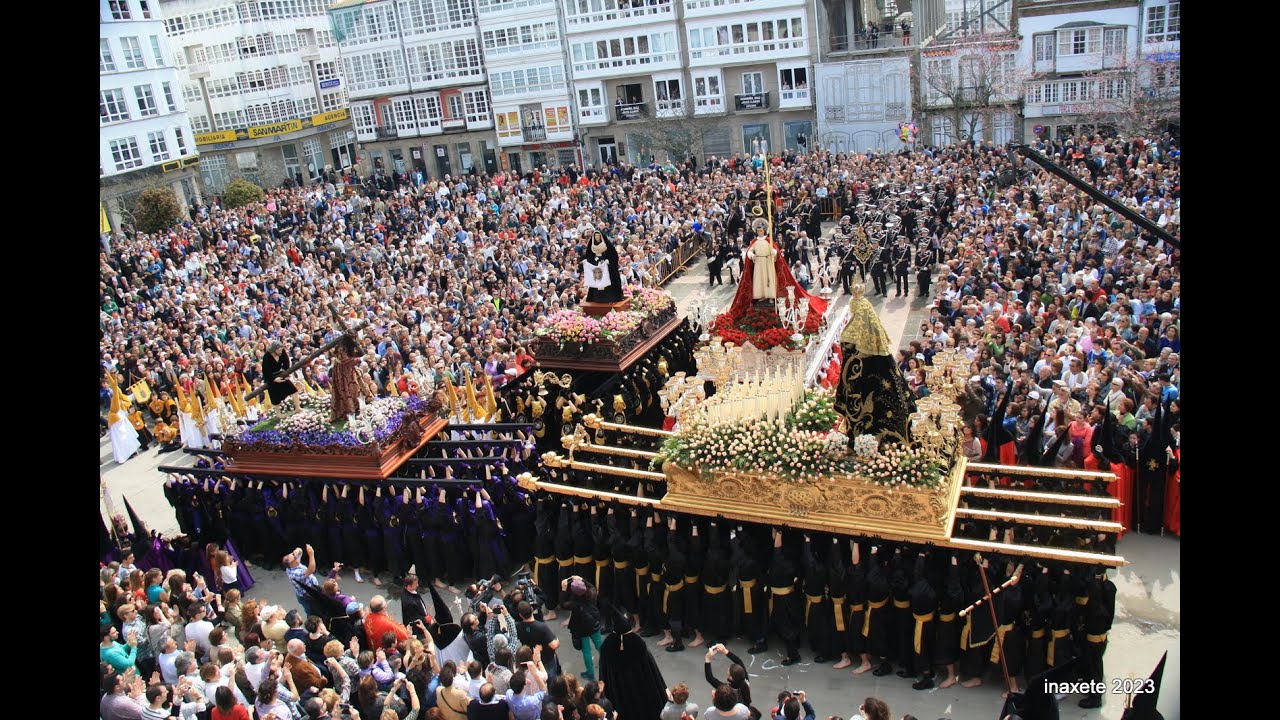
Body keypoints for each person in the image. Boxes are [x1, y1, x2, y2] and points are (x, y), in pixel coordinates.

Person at [560, 575, 605, 680]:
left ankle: (590, 673)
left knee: (586, 650)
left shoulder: (574, 603)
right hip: (594, 624)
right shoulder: (591, 594)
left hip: (582, 629)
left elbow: (562, 604)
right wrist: (582, 579)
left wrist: (563, 589)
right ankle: (608, 666)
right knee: (600, 646)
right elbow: (592, 586)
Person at [514, 600, 561, 679]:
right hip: (546, 659)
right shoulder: (541, 627)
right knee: (551, 680)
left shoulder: (517, 626)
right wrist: (557, 639)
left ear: (520, 615)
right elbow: (554, 645)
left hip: (530, 659)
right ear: (532, 609)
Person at [262, 340, 298, 406]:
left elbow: (286, 362)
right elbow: (266, 371)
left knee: (293, 390)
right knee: (275, 397)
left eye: (281, 350)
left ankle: (298, 407)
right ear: (274, 350)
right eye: (279, 350)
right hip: (270, 377)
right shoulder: (267, 356)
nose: (280, 351)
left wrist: (286, 373)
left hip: (280, 373)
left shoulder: (282, 352)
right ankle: (279, 413)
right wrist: (274, 379)